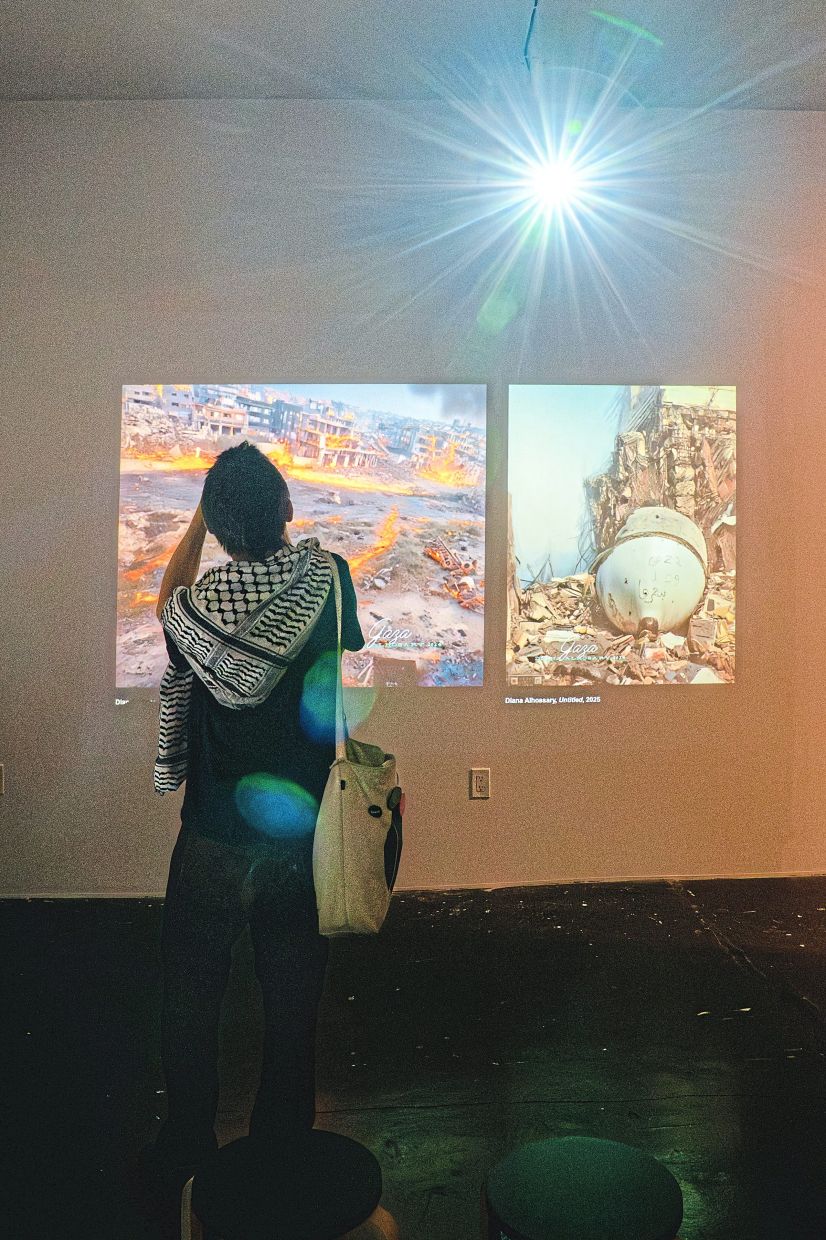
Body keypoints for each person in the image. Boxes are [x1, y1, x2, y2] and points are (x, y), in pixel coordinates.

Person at [140, 441, 365, 1202]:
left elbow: (167, 599)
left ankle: (186, 1146)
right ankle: (282, 1147)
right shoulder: (330, 578)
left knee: (190, 996)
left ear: (219, 525)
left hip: (212, 833)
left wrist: (198, 523)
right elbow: (345, 646)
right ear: (287, 509)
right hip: (301, 834)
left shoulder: (198, 611)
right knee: (294, 1000)